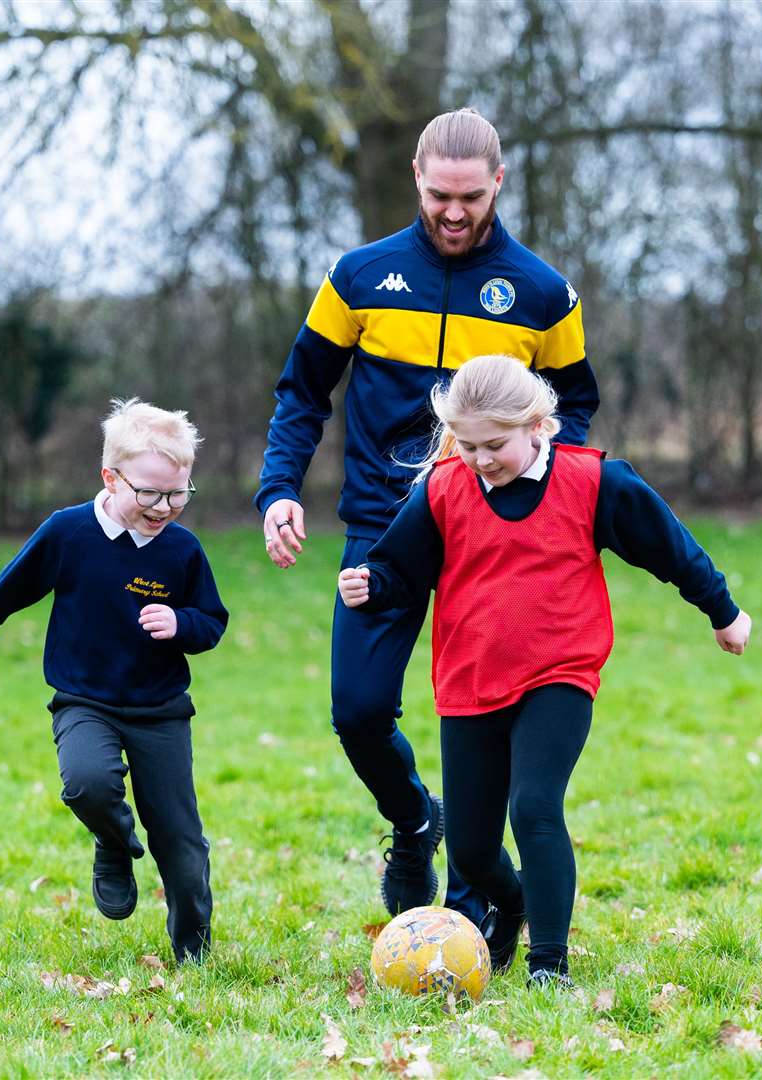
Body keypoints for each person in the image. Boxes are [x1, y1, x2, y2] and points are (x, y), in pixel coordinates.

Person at [256, 107, 600, 924]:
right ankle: (415, 822)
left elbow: (573, 404)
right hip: (383, 528)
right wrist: (278, 490)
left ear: (498, 184)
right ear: (416, 177)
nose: (454, 211)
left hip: (497, 539)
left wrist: (538, 488)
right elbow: (302, 392)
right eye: (440, 194)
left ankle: (475, 902)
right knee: (359, 710)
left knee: (484, 723)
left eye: (471, 196)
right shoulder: (358, 278)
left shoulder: (544, 293)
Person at [337, 355, 752, 987]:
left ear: (539, 424)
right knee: (473, 851)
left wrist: (723, 610)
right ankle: (515, 902)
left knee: (534, 807)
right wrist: (372, 584)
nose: (481, 459)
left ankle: (548, 964)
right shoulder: (445, 487)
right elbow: (401, 569)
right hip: (469, 682)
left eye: (495, 445)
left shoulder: (594, 483)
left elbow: (671, 547)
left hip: (560, 671)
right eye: (469, 445)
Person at [0, 398, 226, 964]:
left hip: (161, 708)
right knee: (87, 785)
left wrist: (181, 623)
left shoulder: (182, 550)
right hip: (84, 700)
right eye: (148, 492)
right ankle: (115, 843)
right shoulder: (68, 532)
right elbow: (12, 585)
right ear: (110, 476)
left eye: (177, 494)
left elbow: (213, 623)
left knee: (181, 842)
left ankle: (192, 950)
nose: (163, 507)